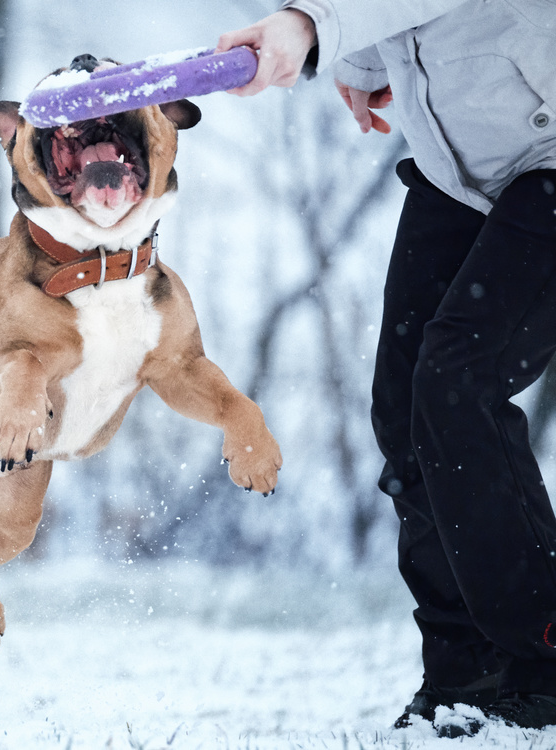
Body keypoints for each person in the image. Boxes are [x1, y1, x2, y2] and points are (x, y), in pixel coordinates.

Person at [216, 0, 556, 734]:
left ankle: (545, 650)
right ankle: (470, 671)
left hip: (550, 156)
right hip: (462, 166)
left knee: (459, 380)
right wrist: (367, 58)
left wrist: (309, 27)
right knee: (407, 410)